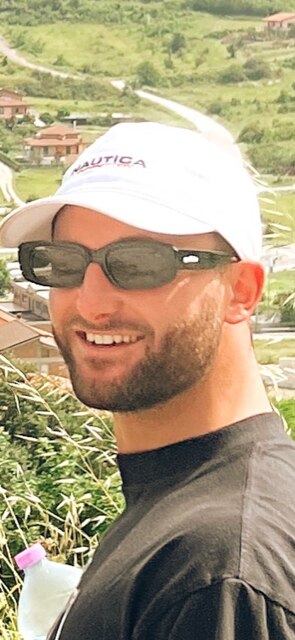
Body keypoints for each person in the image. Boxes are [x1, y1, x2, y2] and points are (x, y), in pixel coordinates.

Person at [1, 122, 294, 639]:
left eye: (139, 264)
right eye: (63, 264)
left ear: (241, 291)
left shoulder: (218, 575)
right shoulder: (179, 510)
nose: (90, 303)